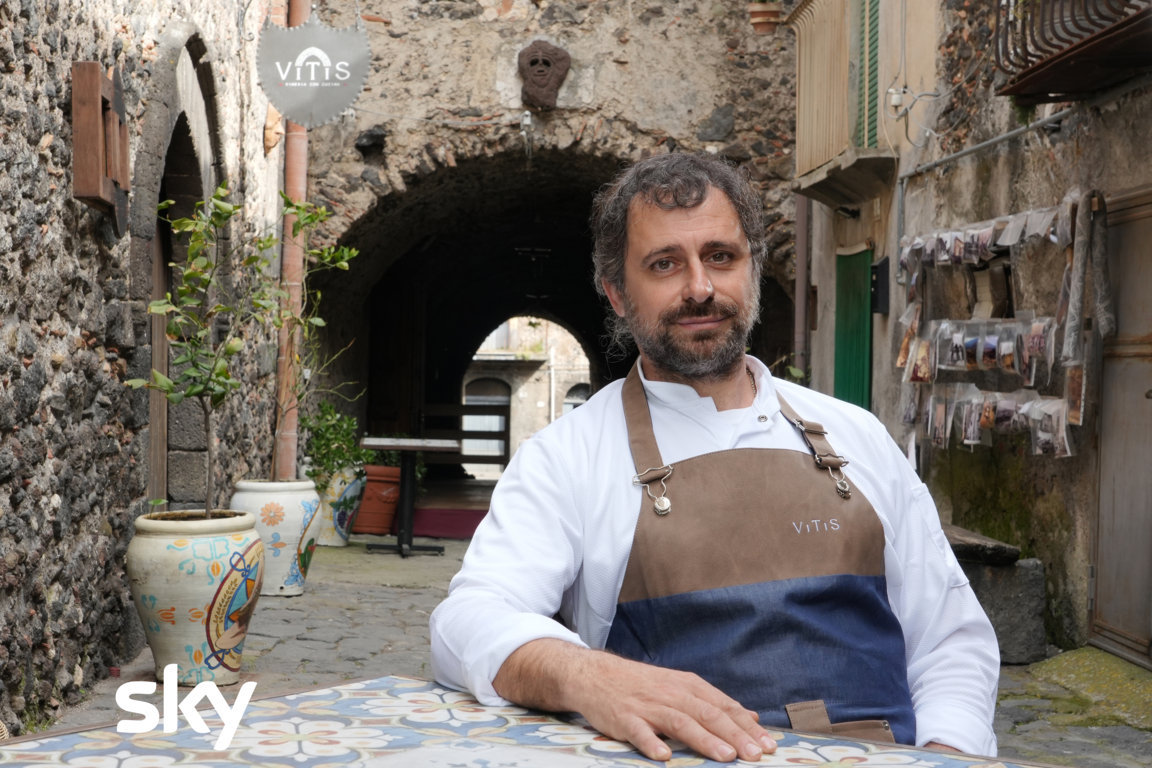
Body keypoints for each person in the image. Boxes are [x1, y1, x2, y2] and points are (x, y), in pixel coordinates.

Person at [429, 152, 999, 763]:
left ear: (752, 270)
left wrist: (946, 751)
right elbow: (468, 620)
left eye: (721, 257)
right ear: (617, 293)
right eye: (665, 264)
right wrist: (588, 676)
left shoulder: (857, 436)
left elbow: (950, 640)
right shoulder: (567, 458)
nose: (700, 288)